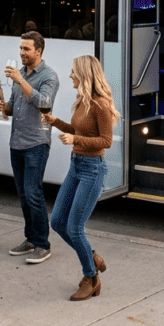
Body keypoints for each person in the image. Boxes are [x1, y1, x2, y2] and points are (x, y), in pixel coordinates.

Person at [42, 55, 117, 300]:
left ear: (84, 74)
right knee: (58, 222)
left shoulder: (101, 105)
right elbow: (77, 130)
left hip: (92, 169)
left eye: (74, 72)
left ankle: (91, 277)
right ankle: (92, 256)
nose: (70, 76)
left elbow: (105, 141)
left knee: (75, 227)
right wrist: (56, 122)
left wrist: (76, 140)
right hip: (76, 166)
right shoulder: (83, 101)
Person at [0, 31, 59, 264]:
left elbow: (44, 102)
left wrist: (20, 81)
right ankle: (31, 238)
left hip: (36, 142)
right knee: (23, 195)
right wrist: (6, 106)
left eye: (26, 49)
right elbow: (14, 106)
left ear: (38, 51)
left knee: (33, 194)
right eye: (20, 48)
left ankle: (43, 244)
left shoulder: (49, 76)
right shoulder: (20, 73)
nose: (21, 53)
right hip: (17, 142)